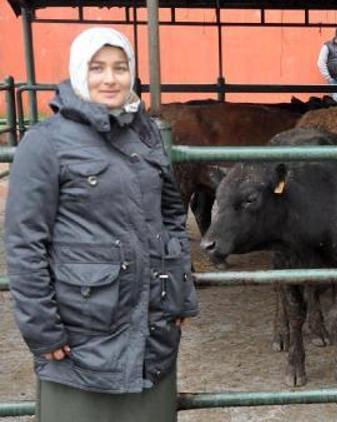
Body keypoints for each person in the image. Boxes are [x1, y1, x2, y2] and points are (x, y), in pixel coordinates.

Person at [5, 27, 199, 421]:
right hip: (82, 332)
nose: (110, 79)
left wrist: (179, 290)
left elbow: (172, 217)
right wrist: (42, 329)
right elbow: (25, 243)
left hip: (151, 325)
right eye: (97, 68)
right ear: (79, 72)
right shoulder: (46, 143)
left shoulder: (144, 134)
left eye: (120, 67)